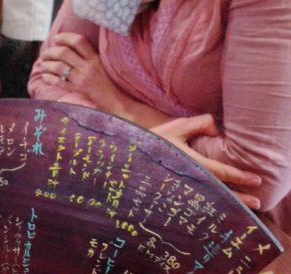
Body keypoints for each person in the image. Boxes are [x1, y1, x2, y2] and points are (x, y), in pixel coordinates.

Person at [27, 0, 291, 239]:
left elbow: (258, 177)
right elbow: (47, 78)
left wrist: (123, 110)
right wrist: (153, 147)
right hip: (113, 207)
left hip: (226, 233)